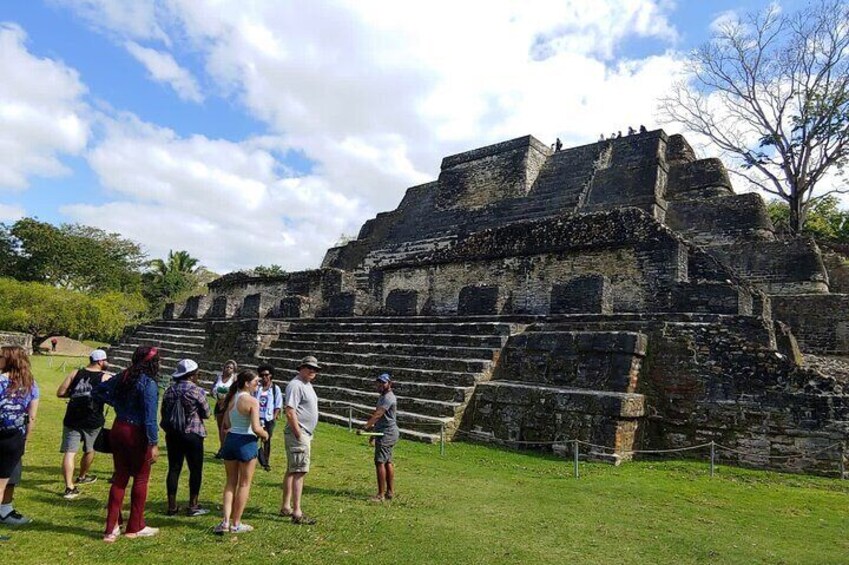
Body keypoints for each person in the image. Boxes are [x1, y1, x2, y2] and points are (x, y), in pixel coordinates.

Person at [95, 345, 160, 542]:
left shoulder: (123, 376)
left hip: (119, 427)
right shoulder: (148, 383)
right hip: (137, 432)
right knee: (140, 479)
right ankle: (135, 526)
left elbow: (99, 390)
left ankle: (111, 527)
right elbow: (150, 417)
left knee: (120, 477)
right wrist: (154, 442)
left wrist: (116, 404)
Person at [214, 370, 268, 534]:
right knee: (244, 484)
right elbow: (256, 427)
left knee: (230, 482)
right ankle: (236, 523)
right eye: (256, 382)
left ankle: (225, 521)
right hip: (246, 441)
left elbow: (226, 423)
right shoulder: (252, 401)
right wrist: (266, 435)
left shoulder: (231, 399)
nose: (257, 384)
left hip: (231, 441)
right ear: (247, 383)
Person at [56, 349, 112, 499]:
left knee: (70, 452)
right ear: (100, 361)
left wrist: (76, 394)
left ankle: (69, 487)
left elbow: (60, 392)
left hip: (72, 418)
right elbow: (112, 396)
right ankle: (82, 476)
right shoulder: (105, 377)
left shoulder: (75, 373)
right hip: (92, 420)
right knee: (90, 449)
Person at [161, 359, 210, 517]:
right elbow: (206, 413)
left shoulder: (169, 391)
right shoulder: (197, 391)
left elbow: (164, 412)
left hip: (174, 434)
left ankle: (172, 505)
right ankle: (193, 504)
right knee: (195, 470)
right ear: (192, 375)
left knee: (174, 469)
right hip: (193, 433)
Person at [0, 346, 39, 531]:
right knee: (6, 477)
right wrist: (25, 439)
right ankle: (5, 510)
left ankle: (5, 510)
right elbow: (31, 416)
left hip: (9, 436)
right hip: (14, 435)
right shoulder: (31, 384)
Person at [279, 355, 320, 525]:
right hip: (299, 432)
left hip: (303, 432)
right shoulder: (296, 385)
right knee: (299, 471)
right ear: (301, 368)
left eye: (315, 369)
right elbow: (290, 410)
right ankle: (297, 511)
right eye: (309, 368)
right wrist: (298, 433)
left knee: (292, 469)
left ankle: (286, 506)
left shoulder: (306, 385)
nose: (312, 371)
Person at [362, 373, 399, 502]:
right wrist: (373, 434)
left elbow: (378, 414)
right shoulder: (382, 397)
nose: (380, 385)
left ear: (389, 384)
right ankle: (389, 492)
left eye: (383, 383)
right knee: (387, 461)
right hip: (384, 432)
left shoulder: (388, 397)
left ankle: (380, 494)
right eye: (379, 383)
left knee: (379, 462)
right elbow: (380, 419)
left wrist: (366, 426)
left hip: (387, 433)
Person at [254, 364, 282, 472]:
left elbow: (278, 404)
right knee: (253, 438)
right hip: (256, 417)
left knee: (267, 440)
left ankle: (265, 462)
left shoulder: (275, 388)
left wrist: (274, 417)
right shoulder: (258, 388)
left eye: (266, 375)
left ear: (271, 375)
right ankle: (253, 458)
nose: (264, 377)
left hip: (268, 418)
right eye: (261, 375)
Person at [211, 360, 237, 458]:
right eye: (227, 367)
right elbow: (212, 389)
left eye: (231, 368)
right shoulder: (218, 378)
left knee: (225, 428)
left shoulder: (234, 379)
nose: (228, 369)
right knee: (220, 428)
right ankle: (222, 447)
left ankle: (226, 448)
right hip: (219, 404)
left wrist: (226, 398)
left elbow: (235, 392)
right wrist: (217, 396)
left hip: (228, 406)